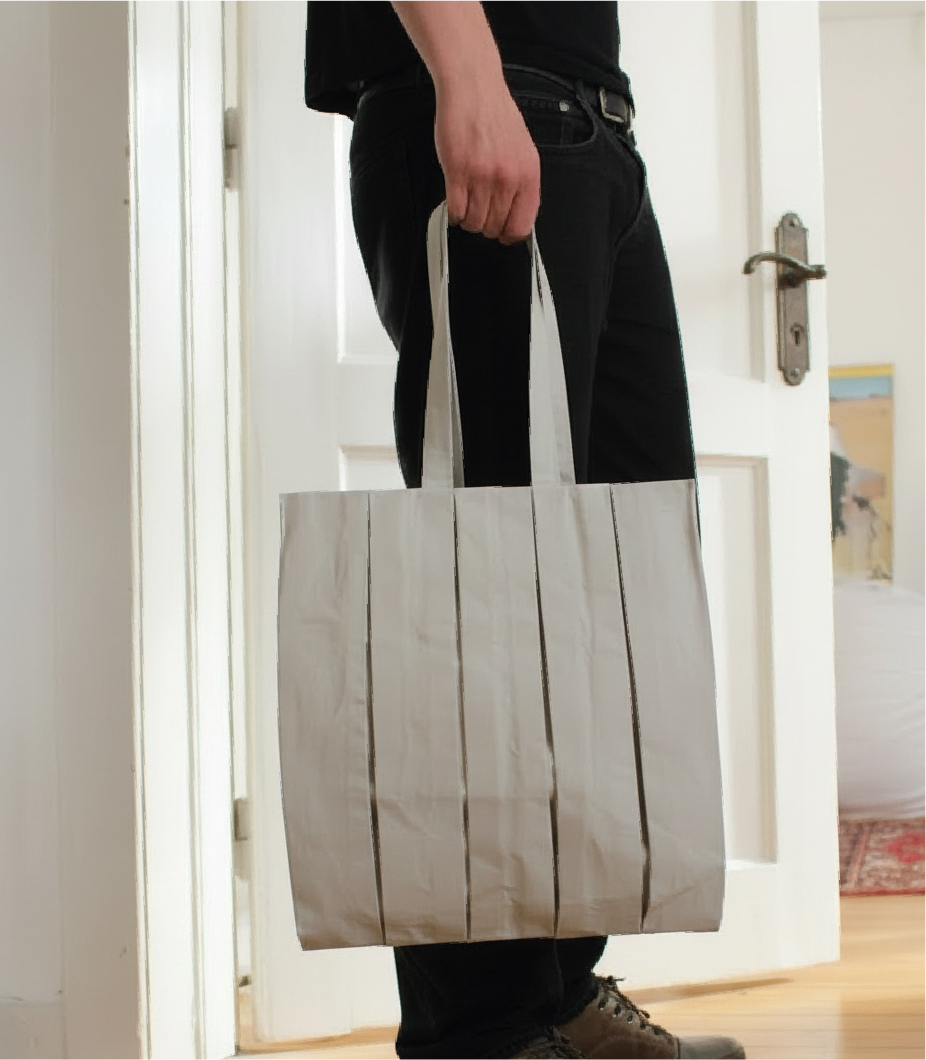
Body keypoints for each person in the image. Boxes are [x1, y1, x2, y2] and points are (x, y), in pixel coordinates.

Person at [304, 4, 746, 1059]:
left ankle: (554, 990)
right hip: (490, 89)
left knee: (614, 569)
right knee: (484, 582)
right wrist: (468, 75)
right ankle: (483, 1028)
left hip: (589, 125)